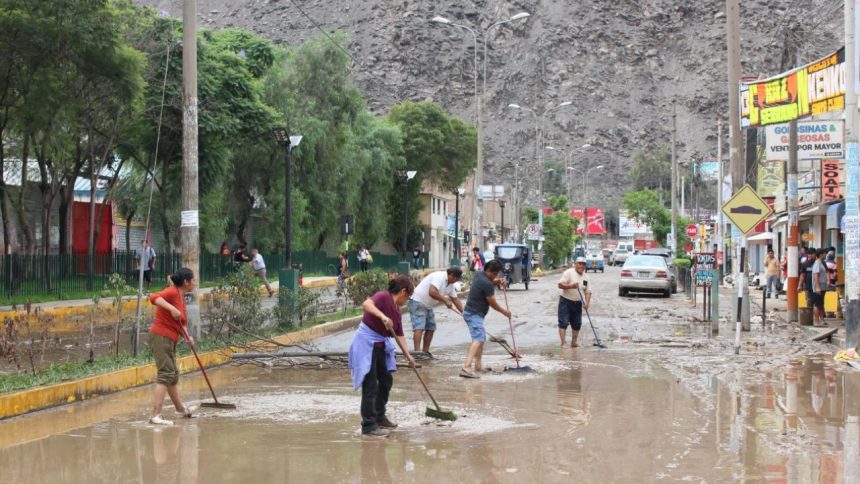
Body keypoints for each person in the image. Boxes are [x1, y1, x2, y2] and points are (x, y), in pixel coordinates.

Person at [347, 275, 416, 437]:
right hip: (365, 345)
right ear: (403, 292)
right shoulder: (383, 297)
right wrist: (382, 316)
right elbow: (366, 304)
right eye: (408, 297)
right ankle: (368, 425)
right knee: (370, 385)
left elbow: (399, 335)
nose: (406, 301)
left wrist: (408, 356)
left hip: (379, 346)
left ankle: (379, 415)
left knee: (386, 380)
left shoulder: (397, 311)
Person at [148, 268, 197, 425]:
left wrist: (187, 337)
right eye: (193, 280)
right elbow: (153, 297)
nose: (195, 282)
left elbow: (181, 323)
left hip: (170, 339)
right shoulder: (172, 292)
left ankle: (180, 410)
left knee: (172, 375)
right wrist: (172, 308)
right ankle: (155, 415)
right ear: (186, 282)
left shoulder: (181, 297)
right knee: (166, 374)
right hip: (162, 336)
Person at [460, 260, 510, 378]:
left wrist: (498, 281)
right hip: (474, 314)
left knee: (480, 339)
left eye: (497, 274)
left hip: (472, 312)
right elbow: (492, 302)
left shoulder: (479, 274)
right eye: (494, 274)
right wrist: (505, 312)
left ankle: (478, 366)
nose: (495, 276)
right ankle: (466, 367)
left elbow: (490, 281)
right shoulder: (487, 284)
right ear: (488, 270)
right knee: (478, 338)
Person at [408, 267, 465, 353]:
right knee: (419, 327)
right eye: (456, 279)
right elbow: (432, 292)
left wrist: (465, 314)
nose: (456, 281)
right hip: (418, 301)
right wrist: (445, 300)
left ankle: (425, 352)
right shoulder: (439, 277)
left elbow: (455, 299)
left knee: (431, 327)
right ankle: (417, 353)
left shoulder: (450, 285)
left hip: (428, 305)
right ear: (452, 276)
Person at [557, 257, 592, 347]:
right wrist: (571, 286)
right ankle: (563, 342)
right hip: (565, 301)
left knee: (577, 324)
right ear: (575, 264)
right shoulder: (569, 272)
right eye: (579, 264)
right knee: (563, 322)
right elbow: (560, 285)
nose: (581, 266)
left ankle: (574, 342)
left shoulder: (586, 277)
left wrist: (586, 303)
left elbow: (588, 292)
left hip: (577, 303)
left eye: (583, 264)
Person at [811, 249, 828, 326]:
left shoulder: (822, 263)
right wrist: (817, 287)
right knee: (817, 304)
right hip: (818, 288)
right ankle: (817, 321)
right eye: (824, 253)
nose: (825, 255)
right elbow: (816, 275)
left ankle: (822, 320)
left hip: (822, 287)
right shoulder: (817, 263)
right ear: (821, 254)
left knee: (821, 304)